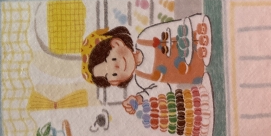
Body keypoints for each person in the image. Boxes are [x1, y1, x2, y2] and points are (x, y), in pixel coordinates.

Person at [80, 15, 211, 114]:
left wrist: (196, 31)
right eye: (113, 74)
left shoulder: (146, 37)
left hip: (202, 40)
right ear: (115, 82)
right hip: (200, 74)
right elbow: (163, 90)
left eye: (113, 59)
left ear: (117, 43)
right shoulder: (142, 80)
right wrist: (138, 99)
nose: (117, 67)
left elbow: (176, 26)